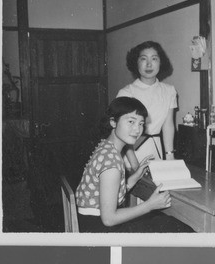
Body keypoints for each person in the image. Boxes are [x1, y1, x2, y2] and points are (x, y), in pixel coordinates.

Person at [75, 97, 194, 233]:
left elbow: (110, 191)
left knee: (163, 222)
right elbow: (108, 219)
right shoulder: (111, 163)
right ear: (113, 122)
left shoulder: (105, 147)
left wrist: (135, 177)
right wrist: (149, 205)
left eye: (141, 123)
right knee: (173, 225)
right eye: (131, 121)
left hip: (89, 224)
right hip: (101, 232)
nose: (137, 129)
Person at [116, 41, 177, 171]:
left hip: (156, 150)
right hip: (130, 152)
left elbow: (168, 125)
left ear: (161, 62)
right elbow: (121, 132)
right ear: (136, 63)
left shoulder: (169, 91)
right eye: (143, 59)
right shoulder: (126, 92)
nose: (149, 64)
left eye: (154, 59)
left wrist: (170, 157)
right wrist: (133, 164)